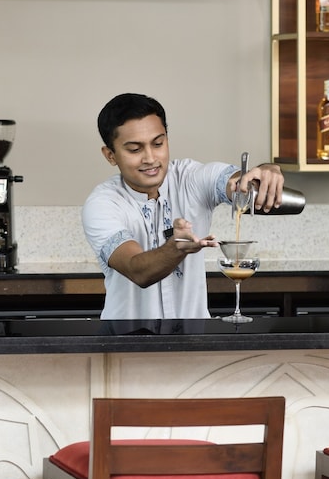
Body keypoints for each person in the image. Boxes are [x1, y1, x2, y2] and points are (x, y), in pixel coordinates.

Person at [82, 93, 286, 320]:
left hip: (195, 337)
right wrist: (175, 249)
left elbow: (233, 181)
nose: (150, 158)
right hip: (126, 338)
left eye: (158, 144)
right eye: (134, 149)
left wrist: (262, 174)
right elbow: (137, 270)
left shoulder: (190, 178)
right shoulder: (103, 204)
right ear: (110, 155)